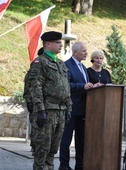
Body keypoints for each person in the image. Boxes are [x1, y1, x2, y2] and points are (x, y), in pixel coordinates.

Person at [29, 31, 72, 170]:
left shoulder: (60, 63)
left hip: (60, 112)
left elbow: (66, 87)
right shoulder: (39, 62)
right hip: (47, 111)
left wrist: (68, 108)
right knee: (42, 150)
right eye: (57, 43)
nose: (61, 45)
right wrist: (40, 109)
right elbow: (36, 87)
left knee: (53, 150)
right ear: (48, 44)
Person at [58, 42, 94, 170]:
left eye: (86, 50)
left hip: (83, 110)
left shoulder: (83, 68)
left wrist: (93, 87)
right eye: (83, 51)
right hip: (71, 108)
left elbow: (85, 85)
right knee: (66, 139)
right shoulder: (66, 65)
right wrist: (82, 86)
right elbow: (66, 86)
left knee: (81, 140)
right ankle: (64, 165)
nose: (86, 53)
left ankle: (80, 165)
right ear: (75, 52)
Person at [23, 47, 44, 156]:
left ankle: (38, 146)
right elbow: (28, 86)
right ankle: (35, 146)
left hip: (43, 103)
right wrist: (29, 101)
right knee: (36, 126)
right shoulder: (35, 68)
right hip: (34, 102)